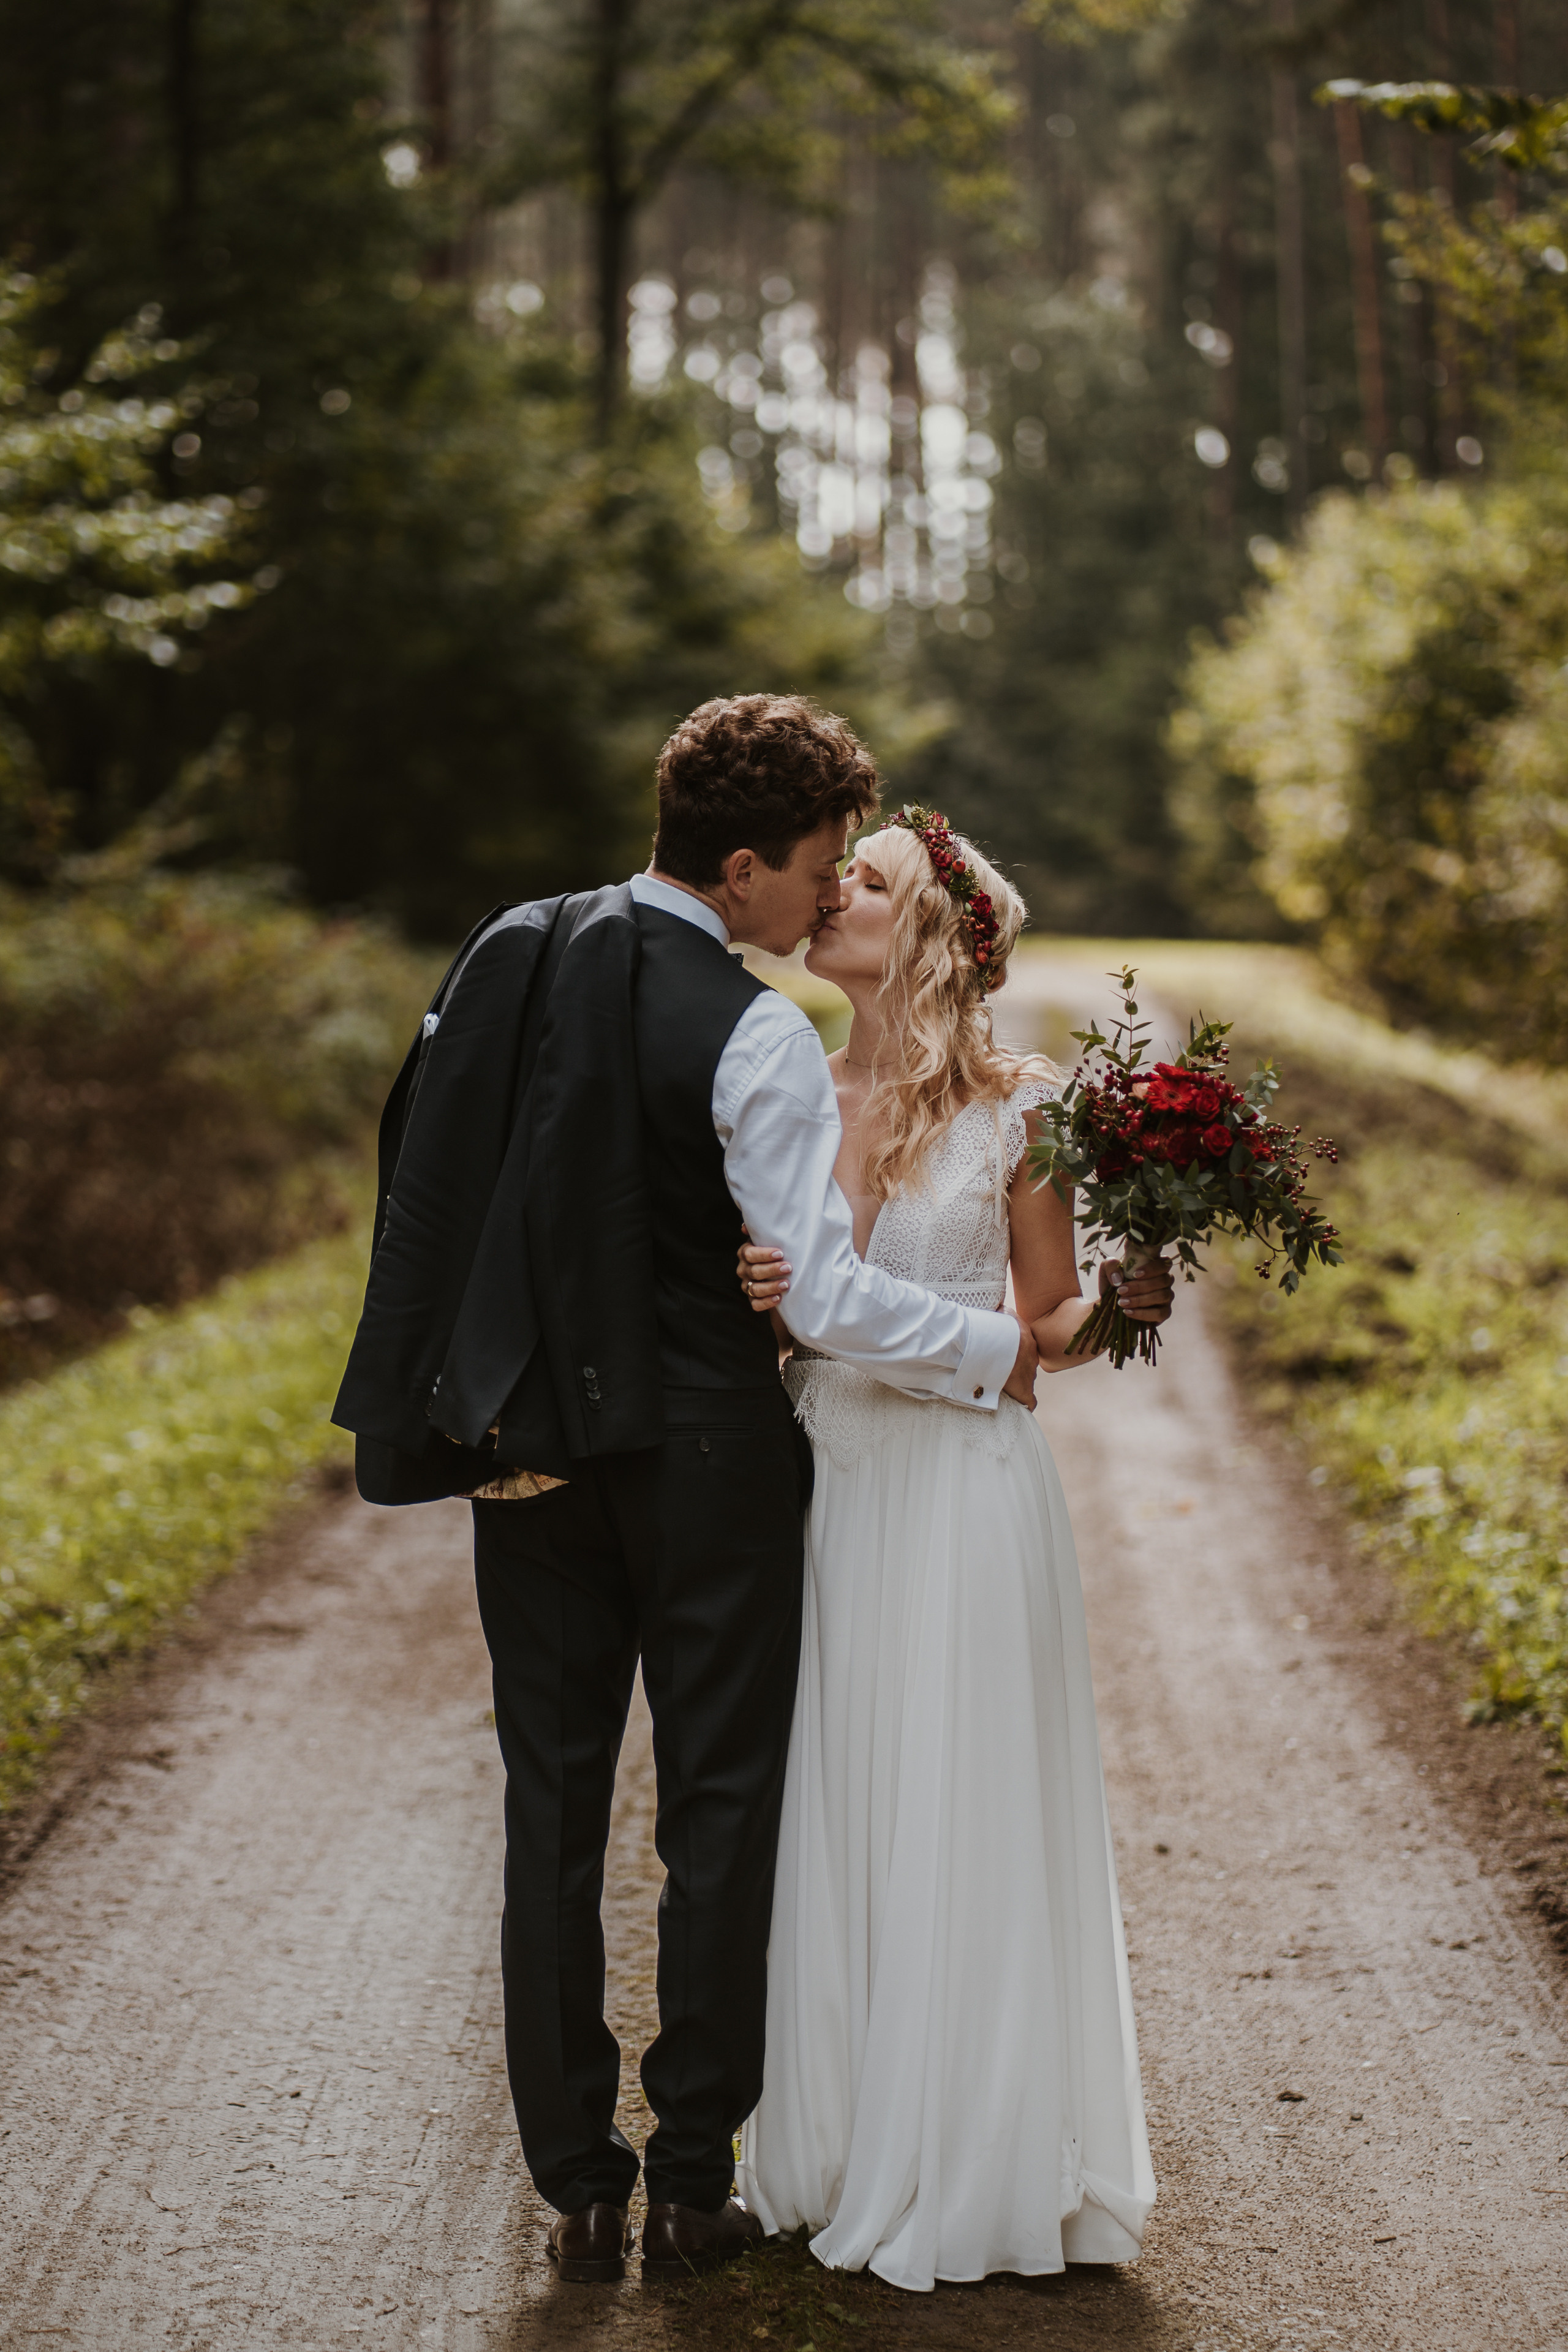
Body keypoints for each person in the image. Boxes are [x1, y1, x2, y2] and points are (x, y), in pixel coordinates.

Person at [331, 699, 1044, 2285]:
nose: (818, 903)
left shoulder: (506, 950)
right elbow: (827, 1301)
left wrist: (462, 1384)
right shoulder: (753, 1032)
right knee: (721, 1810)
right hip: (711, 1461)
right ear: (739, 868)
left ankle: (577, 2179)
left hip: (526, 1460)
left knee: (555, 1808)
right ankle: (692, 2174)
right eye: (808, 872)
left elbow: (424, 1177)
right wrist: (994, 1344)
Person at [731, 809, 1172, 2291]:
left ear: (934, 928)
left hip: (963, 1497)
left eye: (863, 879)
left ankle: (977, 2161)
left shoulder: (1018, 1105)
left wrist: (1123, 1302)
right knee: (844, 1807)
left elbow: (1048, 1325)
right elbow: (779, 1299)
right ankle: (847, 2145)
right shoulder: (779, 1075)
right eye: (835, 875)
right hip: (826, 1490)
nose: (829, 891)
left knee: (960, 1814)